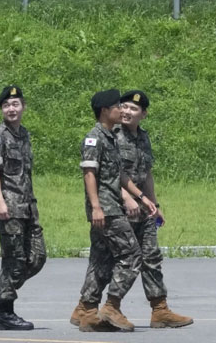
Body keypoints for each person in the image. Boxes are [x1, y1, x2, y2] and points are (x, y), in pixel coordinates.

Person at [70, 88, 157, 332]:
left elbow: (119, 175)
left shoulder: (110, 137)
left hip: (112, 205)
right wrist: (96, 207)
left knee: (101, 258)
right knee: (131, 255)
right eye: (118, 106)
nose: (122, 110)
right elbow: (89, 174)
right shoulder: (94, 138)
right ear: (106, 111)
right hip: (106, 208)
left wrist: (142, 197)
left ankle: (87, 312)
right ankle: (112, 305)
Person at [115, 90, 193, 328]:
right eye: (124, 107)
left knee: (151, 258)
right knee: (117, 260)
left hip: (143, 206)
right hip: (120, 206)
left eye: (133, 109)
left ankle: (160, 310)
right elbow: (111, 175)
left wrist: (154, 204)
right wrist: (127, 198)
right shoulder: (113, 136)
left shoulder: (143, 138)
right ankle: (97, 308)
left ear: (144, 114)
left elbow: (146, 173)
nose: (127, 112)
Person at [0, 85, 46, 330]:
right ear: (1, 109)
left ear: (23, 107)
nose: (11, 109)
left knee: (38, 257)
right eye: (7, 105)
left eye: (16, 104)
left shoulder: (24, 134)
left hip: (28, 207)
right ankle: (5, 313)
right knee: (14, 260)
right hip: (8, 207)